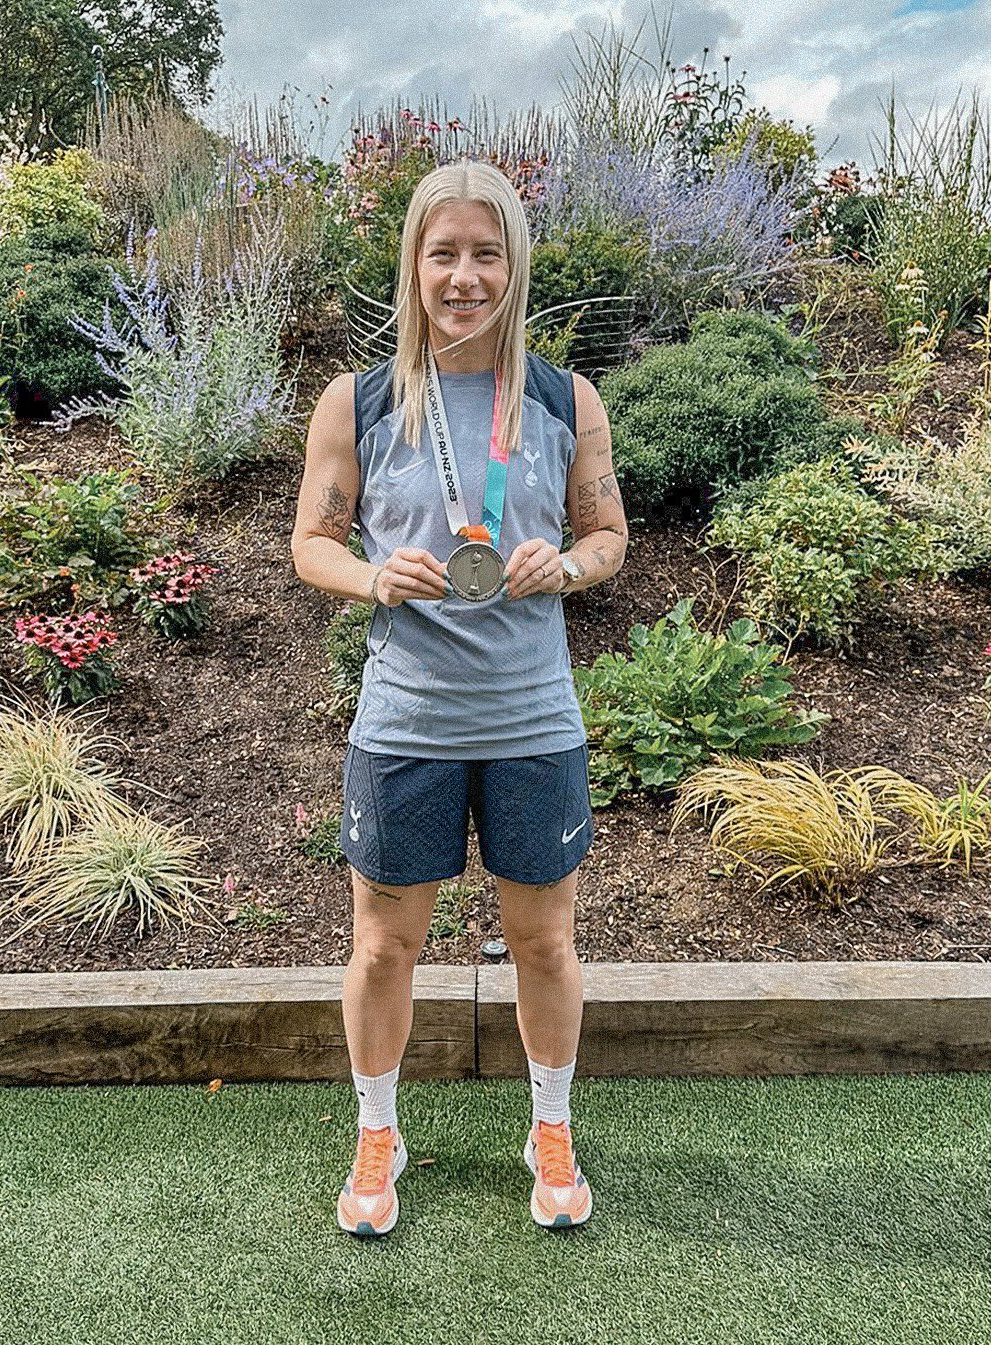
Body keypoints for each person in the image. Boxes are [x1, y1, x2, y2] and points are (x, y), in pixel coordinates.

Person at [290, 157, 628, 1235]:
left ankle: (551, 1127)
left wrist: (568, 566)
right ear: (414, 264)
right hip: (407, 722)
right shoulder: (361, 399)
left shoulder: (563, 398)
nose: (464, 276)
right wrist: (370, 575)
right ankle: (377, 1135)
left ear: (513, 264)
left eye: (486, 253)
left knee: (544, 941)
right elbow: (310, 543)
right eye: (444, 253)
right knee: (384, 945)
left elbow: (608, 535)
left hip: (534, 720)